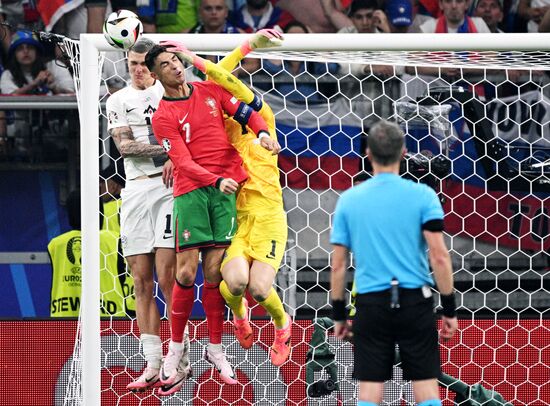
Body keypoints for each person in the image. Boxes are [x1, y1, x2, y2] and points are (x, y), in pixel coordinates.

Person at [145, 41, 279, 393]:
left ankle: (216, 349)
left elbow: (246, 112)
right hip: (194, 190)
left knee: (217, 272)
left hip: (225, 188)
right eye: (166, 64)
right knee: (186, 271)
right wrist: (216, 180)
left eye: (176, 60)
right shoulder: (162, 117)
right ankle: (175, 349)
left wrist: (263, 133)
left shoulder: (209, 90)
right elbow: (184, 162)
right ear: (155, 74)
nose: (175, 66)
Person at [329, 120, 458, 405]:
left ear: (368, 154)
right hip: (416, 301)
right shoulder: (424, 195)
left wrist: (339, 314)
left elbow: (338, 265)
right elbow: (439, 255)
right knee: (425, 387)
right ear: (404, 153)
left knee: (370, 390)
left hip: (371, 302)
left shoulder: (349, 200)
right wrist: (449, 309)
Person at [105, 38, 189, 394]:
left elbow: (192, 135)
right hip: (136, 189)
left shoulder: (172, 93)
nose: (137, 69)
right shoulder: (117, 100)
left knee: (167, 277)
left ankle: (178, 358)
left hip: (170, 189)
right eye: (132, 63)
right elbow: (125, 147)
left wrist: (177, 157)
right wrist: (170, 150)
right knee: (140, 280)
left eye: (143, 63)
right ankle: (152, 361)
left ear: (155, 65)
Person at [48, 190, 129, 318]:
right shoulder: (114, 239)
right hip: (109, 316)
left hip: (64, 315)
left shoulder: (56, 244)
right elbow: (123, 277)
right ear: (99, 212)